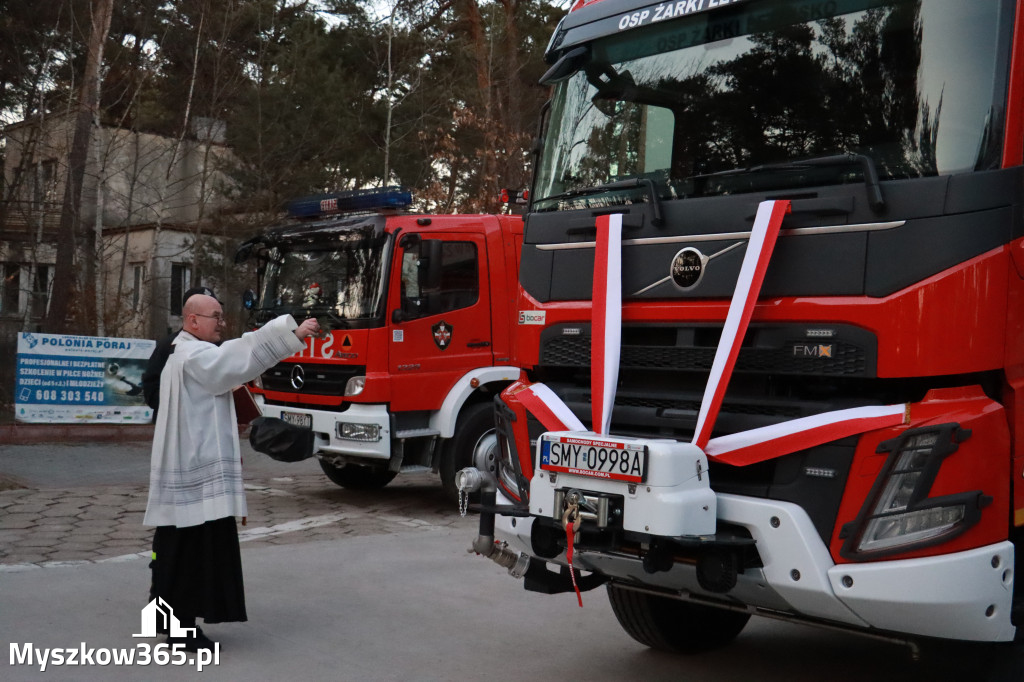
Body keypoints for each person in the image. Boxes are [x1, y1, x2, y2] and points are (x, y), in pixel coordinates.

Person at [143, 293, 319, 652]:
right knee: (192, 551)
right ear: (193, 321)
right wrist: (292, 334)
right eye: (215, 317)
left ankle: (175, 623)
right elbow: (236, 358)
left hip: (188, 463)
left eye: (222, 317)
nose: (221, 323)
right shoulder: (194, 354)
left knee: (180, 550)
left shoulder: (180, 349)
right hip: (195, 469)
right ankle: (182, 632)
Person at [141, 286, 218, 417]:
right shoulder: (169, 346)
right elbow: (151, 388)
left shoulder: (218, 346)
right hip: (174, 423)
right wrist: (180, 406)